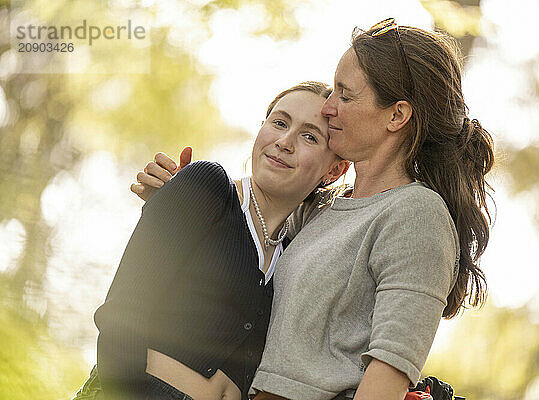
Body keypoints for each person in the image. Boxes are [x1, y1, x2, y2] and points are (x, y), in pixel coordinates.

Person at [134, 18, 494, 400]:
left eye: (345, 95)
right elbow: (245, 254)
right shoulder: (321, 209)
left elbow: (389, 374)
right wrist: (184, 201)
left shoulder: (417, 213)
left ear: (396, 115)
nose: (328, 107)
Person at [73, 81, 350, 400]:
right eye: (279, 122)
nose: (285, 142)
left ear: (335, 170)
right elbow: (122, 312)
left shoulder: (293, 256)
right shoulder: (208, 185)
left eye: (309, 136)